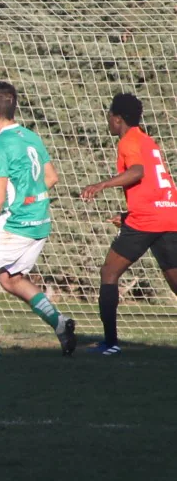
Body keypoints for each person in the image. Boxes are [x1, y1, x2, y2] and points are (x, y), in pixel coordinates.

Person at [0, 81, 75, 359]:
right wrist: (30, 196)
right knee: (10, 278)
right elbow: (51, 178)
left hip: (16, 224)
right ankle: (60, 323)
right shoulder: (31, 137)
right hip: (39, 221)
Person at [79, 92, 177, 355]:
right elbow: (155, 183)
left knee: (109, 274)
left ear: (118, 119)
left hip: (147, 220)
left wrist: (102, 184)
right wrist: (126, 216)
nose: (108, 120)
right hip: (169, 214)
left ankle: (110, 343)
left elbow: (137, 172)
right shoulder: (149, 141)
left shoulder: (128, 141)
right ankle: (109, 342)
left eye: (110, 116)